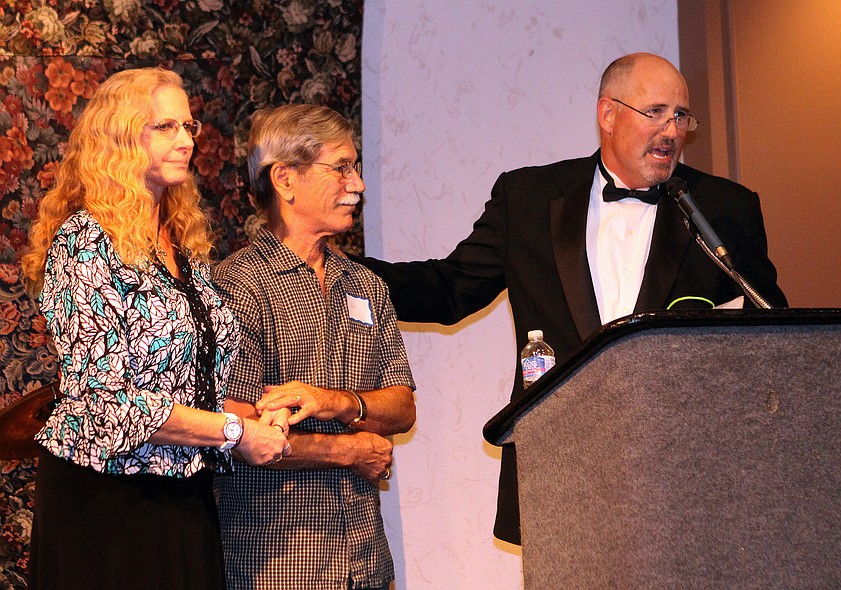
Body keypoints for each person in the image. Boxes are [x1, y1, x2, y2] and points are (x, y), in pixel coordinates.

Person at [355, 52, 788, 545]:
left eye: (681, 116)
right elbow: (451, 288)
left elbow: (768, 331)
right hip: (561, 463)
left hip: (688, 473)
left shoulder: (723, 209)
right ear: (608, 114)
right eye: (657, 112)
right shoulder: (529, 198)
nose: (672, 130)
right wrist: (343, 275)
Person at [20, 67, 291, 590]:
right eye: (165, 127)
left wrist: (261, 416)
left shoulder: (180, 243)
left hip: (184, 494)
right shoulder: (85, 240)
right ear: (120, 136)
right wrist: (235, 433)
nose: (186, 141)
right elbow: (108, 401)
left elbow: (193, 382)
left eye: (189, 127)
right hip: (106, 506)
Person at [212, 104, 416, 590]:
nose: (358, 184)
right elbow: (234, 429)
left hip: (366, 561)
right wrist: (348, 451)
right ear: (285, 179)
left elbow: (403, 407)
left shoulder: (365, 284)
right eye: (341, 167)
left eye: (357, 167)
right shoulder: (238, 286)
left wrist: (338, 402)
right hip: (279, 564)